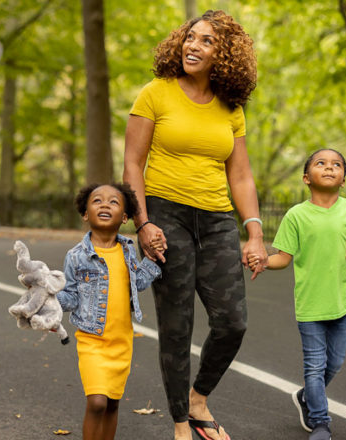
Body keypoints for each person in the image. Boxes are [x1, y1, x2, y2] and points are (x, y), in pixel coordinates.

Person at [122, 9, 267, 440]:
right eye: (191, 37)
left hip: (218, 219)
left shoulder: (231, 106)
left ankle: (199, 396)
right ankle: (181, 422)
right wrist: (142, 223)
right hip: (166, 215)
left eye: (206, 41)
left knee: (232, 322)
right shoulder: (156, 93)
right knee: (177, 323)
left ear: (224, 55)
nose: (193, 45)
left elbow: (240, 175)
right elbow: (133, 162)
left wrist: (254, 232)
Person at [247, 149, 346, 440]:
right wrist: (266, 261)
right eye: (321, 163)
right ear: (307, 178)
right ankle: (320, 422)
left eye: (337, 165)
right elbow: (284, 257)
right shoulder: (296, 215)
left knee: (335, 363)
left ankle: (307, 396)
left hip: (344, 303)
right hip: (310, 306)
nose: (330, 168)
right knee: (315, 365)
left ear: (343, 179)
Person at [56, 183, 162, 440]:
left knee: (113, 402)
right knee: (97, 403)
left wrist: (154, 258)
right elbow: (70, 296)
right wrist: (49, 300)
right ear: (85, 213)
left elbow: (137, 283)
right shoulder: (76, 256)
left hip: (121, 342)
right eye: (97, 201)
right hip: (92, 341)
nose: (105, 204)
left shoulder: (126, 250)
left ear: (125, 217)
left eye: (114, 202)